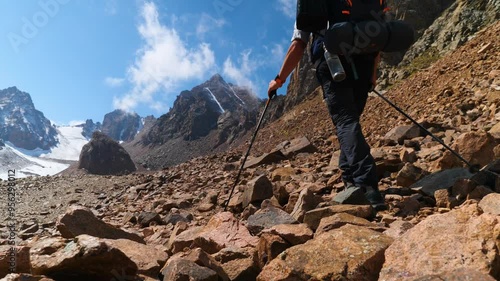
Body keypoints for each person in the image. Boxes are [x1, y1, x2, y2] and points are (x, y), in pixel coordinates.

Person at [268, 21, 387, 211]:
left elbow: (298, 44)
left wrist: (279, 79)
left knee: (346, 121)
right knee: (350, 121)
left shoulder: (311, 7)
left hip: (333, 64)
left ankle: (366, 186)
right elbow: (377, 36)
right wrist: (372, 73)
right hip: (363, 62)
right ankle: (350, 178)